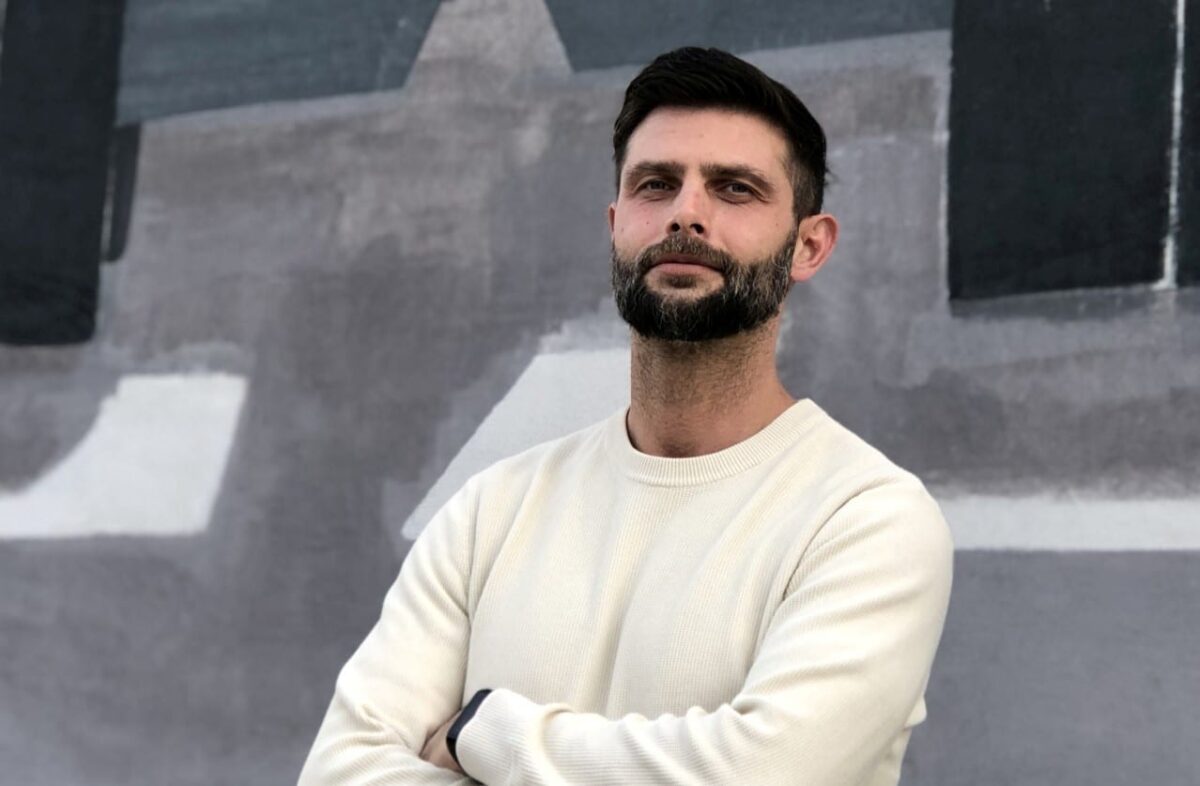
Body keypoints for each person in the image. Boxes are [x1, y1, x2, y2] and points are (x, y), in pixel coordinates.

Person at [298, 46, 953, 786]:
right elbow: (339, 771)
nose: (686, 213)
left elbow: (754, 775)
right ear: (616, 224)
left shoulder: (866, 519)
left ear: (808, 245)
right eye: (656, 185)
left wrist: (484, 732)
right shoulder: (492, 512)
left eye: (735, 189)